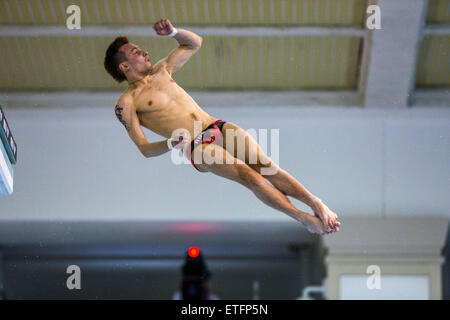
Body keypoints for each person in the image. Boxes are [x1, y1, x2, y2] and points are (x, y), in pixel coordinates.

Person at [103, 18, 340, 235]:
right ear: (124, 67)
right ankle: (303, 218)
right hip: (197, 145)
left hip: (216, 125)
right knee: (250, 176)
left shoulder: (162, 70)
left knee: (266, 166)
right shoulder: (127, 102)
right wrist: (169, 143)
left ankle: (316, 203)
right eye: (135, 52)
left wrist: (173, 32)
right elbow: (144, 148)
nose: (144, 52)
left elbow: (194, 43)